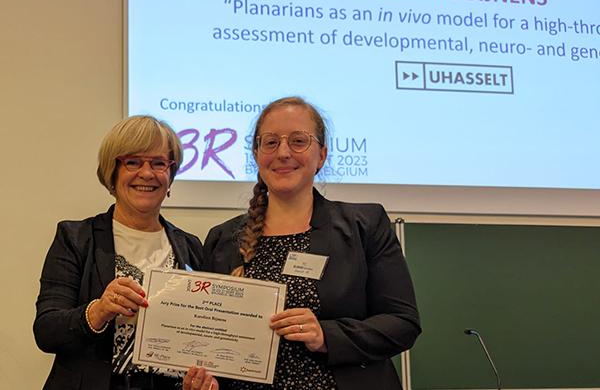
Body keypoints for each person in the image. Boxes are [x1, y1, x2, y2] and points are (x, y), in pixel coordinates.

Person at [204, 97, 421, 389]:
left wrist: (326, 336)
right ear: (256, 154)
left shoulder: (364, 226)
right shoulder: (223, 239)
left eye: (298, 141)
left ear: (321, 155)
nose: (283, 153)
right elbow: (211, 336)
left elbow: (403, 323)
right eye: (271, 142)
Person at [34, 116, 217, 390]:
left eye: (158, 163)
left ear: (170, 175)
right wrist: (99, 311)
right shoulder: (76, 238)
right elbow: (46, 331)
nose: (147, 173)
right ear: (113, 172)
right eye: (133, 162)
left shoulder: (191, 247)